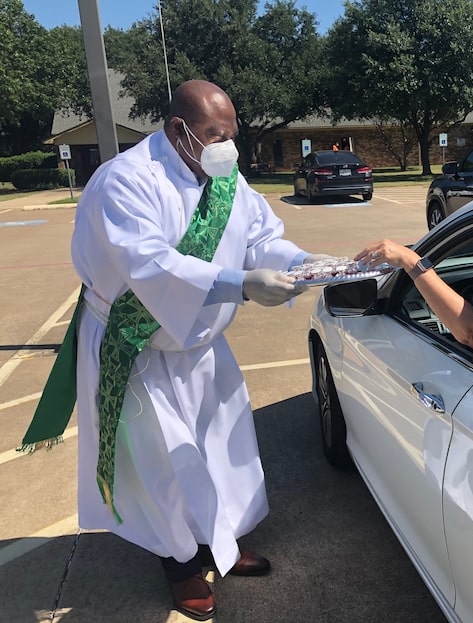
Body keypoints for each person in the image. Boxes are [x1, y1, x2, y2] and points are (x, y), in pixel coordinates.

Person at [19, 80, 332, 621]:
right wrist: (240, 283)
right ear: (177, 131)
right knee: (163, 464)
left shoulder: (223, 175)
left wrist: (303, 259)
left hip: (201, 343)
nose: (227, 147)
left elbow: (261, 238)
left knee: (220, 447)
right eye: (215, 135)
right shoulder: (125, 181)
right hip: (137, 345)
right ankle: (181, 565)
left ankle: (223, 545)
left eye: (231, 135)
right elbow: (151, 265)